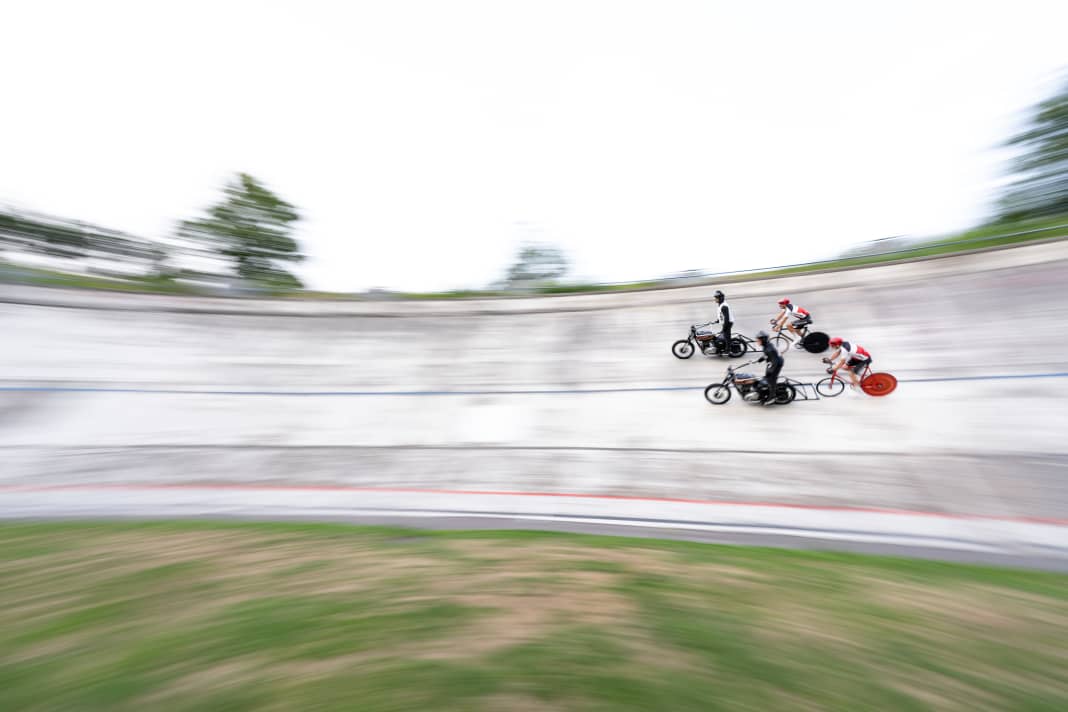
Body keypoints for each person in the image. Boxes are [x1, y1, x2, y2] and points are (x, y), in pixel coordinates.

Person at [754, 330, 783, 405]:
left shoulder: (770, 349)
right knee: (767, 376)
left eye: (758, 340)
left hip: (776, 364)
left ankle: (772, 398)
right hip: (772, 362)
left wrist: (771, 372)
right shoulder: (766, 346)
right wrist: (758, 360)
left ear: (763, 340)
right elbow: (766, 355)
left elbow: (775, 362)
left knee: (771, 380)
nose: (757, 341)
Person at [704, 289, 733, 355]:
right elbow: (722, 315)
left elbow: (727, 318)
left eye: (716, 298)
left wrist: (724, 328)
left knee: (726, 336)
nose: (715, 299)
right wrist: (717, 320)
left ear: (720, 298)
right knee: (723, 335)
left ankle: (728, 350)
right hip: (725, 322)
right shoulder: (721, 305)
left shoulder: (724, 306)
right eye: (715, 298)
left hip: (728, 323)